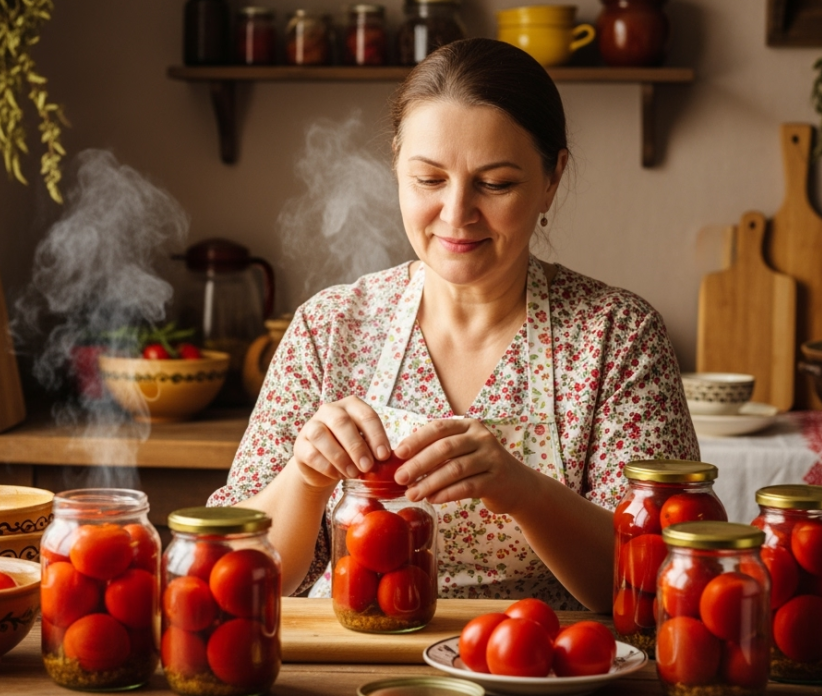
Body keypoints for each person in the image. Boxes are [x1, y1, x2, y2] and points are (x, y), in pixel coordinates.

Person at [207, 38, 697, 612]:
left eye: (496, 184)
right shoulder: (330, 327)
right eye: (429, 179)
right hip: (351, 656)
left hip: (547, 664)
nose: (457, 213)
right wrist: (305, 479)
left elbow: (657, 584)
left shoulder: (618, 337)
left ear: (551, 179)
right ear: (396, 165)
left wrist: (527, 493)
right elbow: (236, 576)